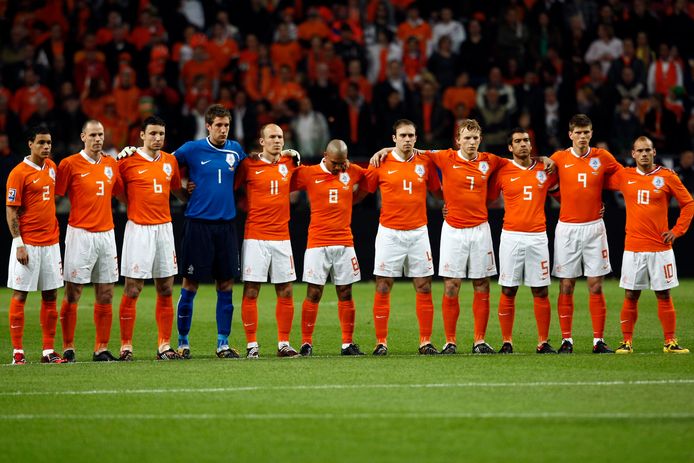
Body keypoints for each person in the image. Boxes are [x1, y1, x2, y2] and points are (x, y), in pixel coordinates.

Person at [357, 119, 442, 355]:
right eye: (402, 135)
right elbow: (363, 192)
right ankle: (381, 342)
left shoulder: (425, 162)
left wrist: (453, 204)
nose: (407, 139)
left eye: (411, 135)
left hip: (418, 232)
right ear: (394, 138)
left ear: (416, 138)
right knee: (383, 285)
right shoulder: (380, 162)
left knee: (423, 285)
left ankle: (425, 341)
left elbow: (438, 191)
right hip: (390, 232)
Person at [172, 104, 247, 359]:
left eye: (226, 125)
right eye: (218, 125)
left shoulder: (235, 150)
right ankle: (183, 343)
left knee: (226, 285)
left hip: (226, 227)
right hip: (198, 225)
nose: (223, 130)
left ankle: (223, 344)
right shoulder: (191, 149)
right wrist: (181, 191)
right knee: (190, 284)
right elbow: (166, 166)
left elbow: (253, 166)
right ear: (208, 126)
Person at [606, 137, 692, 354]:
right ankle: (626, 342)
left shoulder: (667, 176)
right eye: (640, 151)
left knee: (663, 294)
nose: (644, 154)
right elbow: (595, 180)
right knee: (631, 295)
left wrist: (677, 231)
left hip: (660, 248)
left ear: (654, 152)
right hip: (633, 248)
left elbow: (688, 203)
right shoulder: (625, 175)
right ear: (633, 154)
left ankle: (670, 342)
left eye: (647, 150)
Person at [551, 114, 623, 354]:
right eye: (578, 133)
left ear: (591, 134)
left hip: (594, 227)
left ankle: (598, 340)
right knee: (566, 284)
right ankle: (566, 340)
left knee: (595, 285)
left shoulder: (603, 157)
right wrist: (562, 199)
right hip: (567, 229)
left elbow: (623, 177)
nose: (582, 137)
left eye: (586, 132)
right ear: (570, 134)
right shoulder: (559, 158)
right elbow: (544, 181)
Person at [117, 115, 186, 360]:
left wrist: (194, 199)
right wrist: (135, 205)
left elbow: (176, 190)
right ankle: (126, 346)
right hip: (139, 229)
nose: (157, 138)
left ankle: (164, 346)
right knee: (133, 288)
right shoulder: (126, 162)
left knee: (166, 288)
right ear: (142, 135)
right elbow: (116, 190)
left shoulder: (170, 161)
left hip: (164, 229)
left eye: (161, 134)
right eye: (153, 133)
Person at [55, 120, 123, 362]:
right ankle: (68, 347)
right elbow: (54, 196)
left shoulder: (111, 164)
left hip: (106, 234)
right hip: (80, 234)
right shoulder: (69, 164)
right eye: (93, 135)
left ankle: (101, 349)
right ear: (83, 136)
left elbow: (121, 193)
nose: (98, 139)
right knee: (73, 292)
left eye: (101, 135)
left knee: (106, 293)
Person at [487, 128, 559, 354]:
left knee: (541, 290)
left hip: (538, 237)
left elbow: (561, 195)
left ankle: (543, 341)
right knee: (508, 289)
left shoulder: (545, 169)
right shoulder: (502, 171)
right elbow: (484, 198)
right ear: (510, 147)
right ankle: (507, 342)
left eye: (526, 140)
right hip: (511, 236)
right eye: (517, 141)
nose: (523, 144)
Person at [291, 139, 366, 356]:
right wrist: (287, 156)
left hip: (345, 242)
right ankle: (306, 343)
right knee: (314, 292)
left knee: (345, 291)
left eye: (343, 162)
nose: (339, 167)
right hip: (317, 242)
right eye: (335, 163)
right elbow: (284, 178)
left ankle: (347, 344)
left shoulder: (351, 171)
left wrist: (354, 198)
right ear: (325, 155)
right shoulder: (309, 173)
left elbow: (370, 179)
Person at [236, 124, 299, 358]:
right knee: (252, 290)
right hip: (255, 236)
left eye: (280, 137)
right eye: (272, 137)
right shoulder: (248, 164)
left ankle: (284, 343)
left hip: (282, 237)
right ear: (261, 141)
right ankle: (252, 345)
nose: (277, 140)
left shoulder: (290, 163)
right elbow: (228, 185)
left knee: (286, 290)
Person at [6, 125, 66, 364]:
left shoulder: (51, 167)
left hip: (51, 242)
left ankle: (48, 351)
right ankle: (18, 352)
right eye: (41, 142)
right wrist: (18, 243)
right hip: (28, 243)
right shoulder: (18, 173)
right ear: (30, 144)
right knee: (20, 294)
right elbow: (11, 211)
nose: (46, 146)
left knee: (50, 294)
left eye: (49, 142)